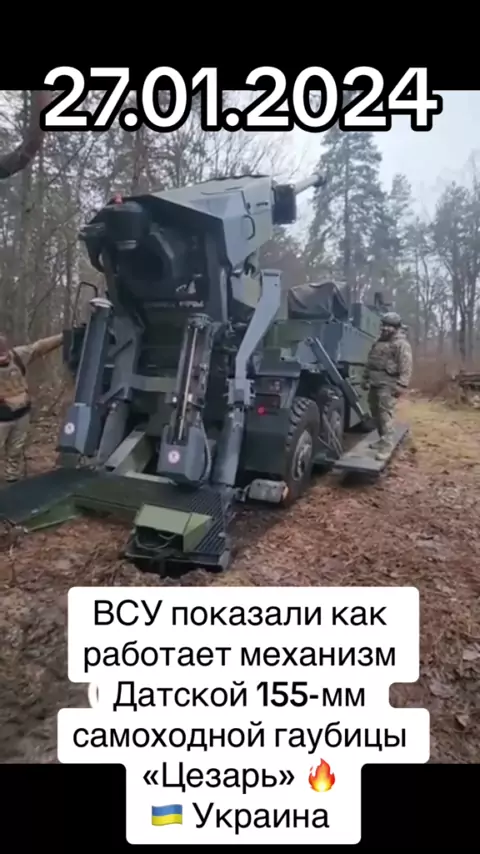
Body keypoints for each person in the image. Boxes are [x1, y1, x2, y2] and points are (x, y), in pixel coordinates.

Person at [0, 332, 63, 482]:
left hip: (21, 414)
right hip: (1, 418)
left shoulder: (18, 356)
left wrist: (63, 337)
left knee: (16, 451)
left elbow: (38, 347)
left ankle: (12, 478)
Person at [362, 312, 413, 462]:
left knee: (385, 415)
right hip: (374, 382)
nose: (385, 328)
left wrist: (401, 385)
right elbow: (370, 362)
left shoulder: (401, 344)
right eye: (384, 325)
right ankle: (382, 439)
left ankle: (387, 445)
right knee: (375, 413)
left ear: (396, 328)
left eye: (389, 326)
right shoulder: (378, 342)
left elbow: (406, 367)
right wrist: (365, 378)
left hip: (388, 384)